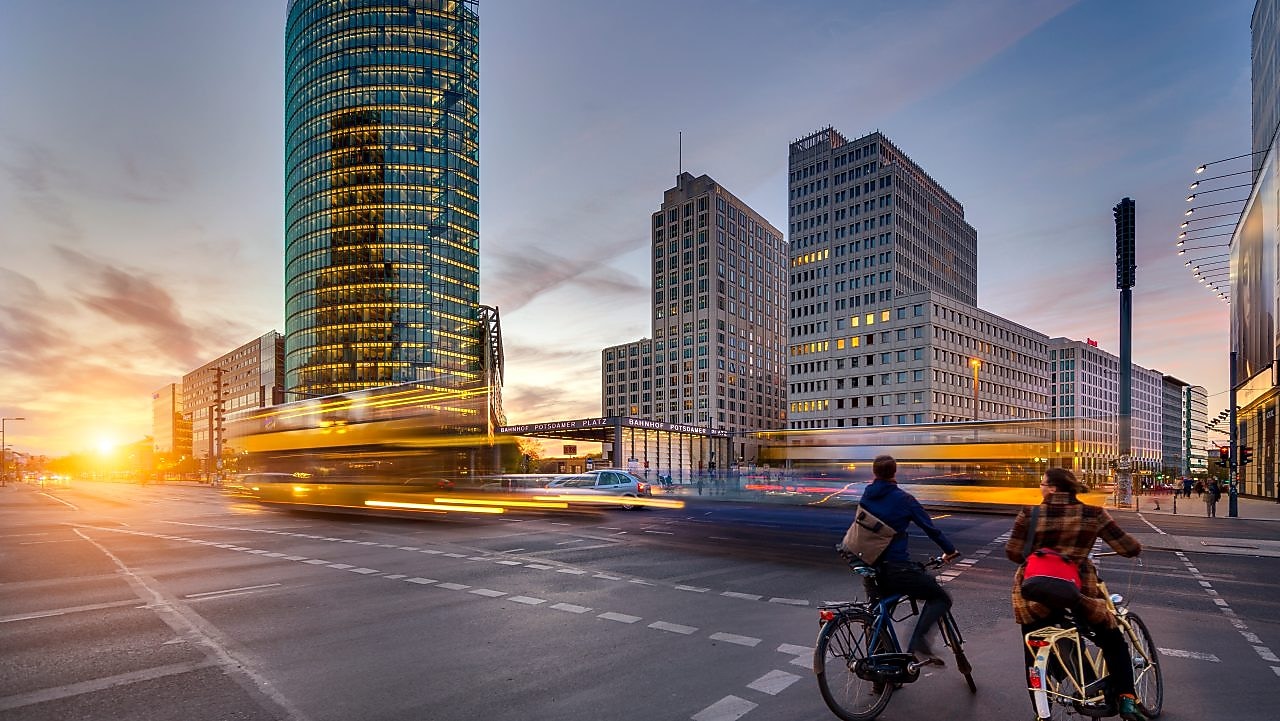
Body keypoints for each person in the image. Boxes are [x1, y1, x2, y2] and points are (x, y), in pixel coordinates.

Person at [1006, 468, 1146, 721]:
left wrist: (1040, 556)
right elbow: (1127, 547)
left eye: (1043, 483)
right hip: (1077, 594)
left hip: (1033, 595)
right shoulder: (1093, 514)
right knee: (1113, 640)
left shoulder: (1030, 513)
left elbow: (1014, 553)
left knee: (1033, 652)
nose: (1041, 487)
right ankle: (1127, 698)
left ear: (1054, 488)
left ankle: (1041, 708)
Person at [856, 454, 960, 665]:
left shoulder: (866, 496)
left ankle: (881, 678)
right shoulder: (904, 499)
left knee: (878, 619)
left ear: (874, 473)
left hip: (870, 567)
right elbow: (930, 529)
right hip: (896, 569)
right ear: (894, 473)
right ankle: (918, 641)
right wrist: (949, 550)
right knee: (941, 598)